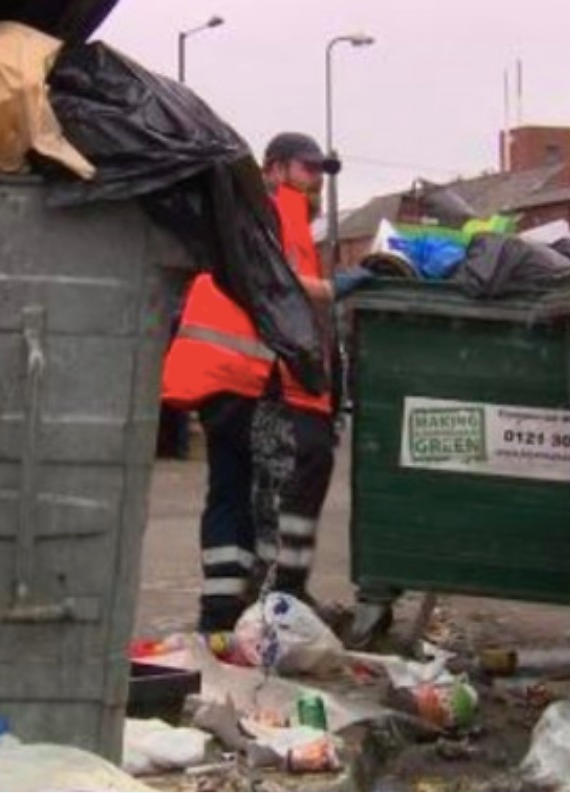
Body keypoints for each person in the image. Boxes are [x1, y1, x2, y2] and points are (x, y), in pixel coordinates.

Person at [161, 132, 360, 632]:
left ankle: (222, 614)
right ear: (273, 169)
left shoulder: (254, 213)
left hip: (222, 378)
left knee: (231, 490)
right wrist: (339, 288)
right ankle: (277, 604)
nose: (316, 181)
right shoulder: (278, 209)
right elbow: (282, 286)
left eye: (322, 172)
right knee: (287, 481)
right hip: (249, 379)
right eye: (306, 169)